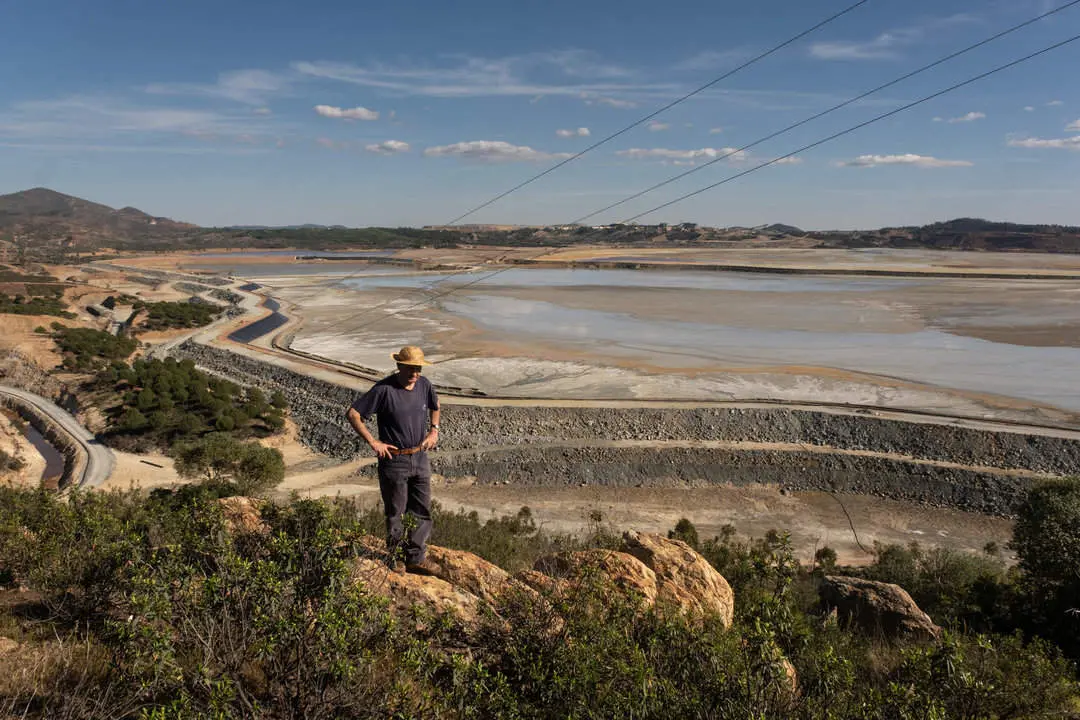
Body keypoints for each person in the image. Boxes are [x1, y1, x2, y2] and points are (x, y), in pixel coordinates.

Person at [346, 345, 440, 575]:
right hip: (394, 460)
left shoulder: (424, 385)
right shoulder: (384, 390)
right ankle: (396, 557)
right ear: (399, 366)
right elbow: (353, 413)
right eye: (410, 368)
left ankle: (416, 558)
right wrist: (373, 442)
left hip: (419, 456)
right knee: (396, 510)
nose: (415, 373)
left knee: (421, 508)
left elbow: (435, 407)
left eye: (417, 368)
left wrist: (434, 430)